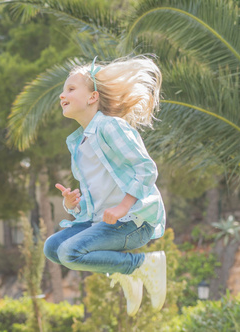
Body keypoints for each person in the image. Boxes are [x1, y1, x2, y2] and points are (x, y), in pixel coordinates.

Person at [43, 55, 167, 316]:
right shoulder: (79, 142)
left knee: (69, 253)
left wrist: (124, 206)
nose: (62, 95)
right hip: (104, 222)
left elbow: (146, 169)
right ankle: (127, 274)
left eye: (71, 89)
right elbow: (96, 200)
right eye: (63, 90)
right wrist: (73, 206)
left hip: (133, 222)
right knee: (53, 248)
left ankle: (142, 264)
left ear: (93, 97)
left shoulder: (111, 127)